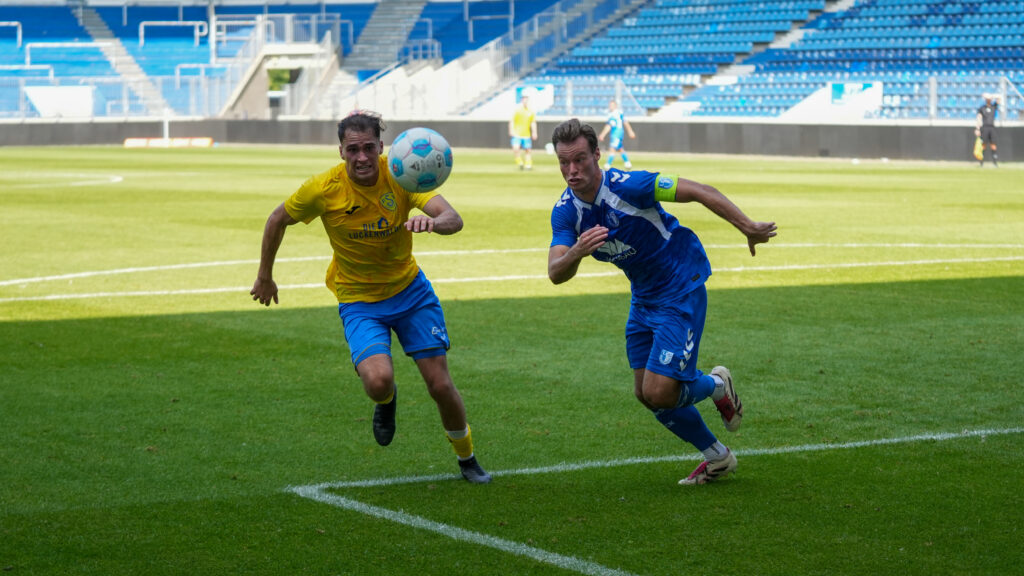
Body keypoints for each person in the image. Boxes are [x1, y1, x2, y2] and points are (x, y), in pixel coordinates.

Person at [250, 111, 491, 484]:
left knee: (440, 385)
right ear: (341, 151)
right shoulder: (323, 188)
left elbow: (453, 218)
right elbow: (277, 218)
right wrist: (265, 275)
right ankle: (386, 401)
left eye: (368, 148)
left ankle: (467, 459)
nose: (361, 157)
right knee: (378, 381)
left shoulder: (402, 174)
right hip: (359, 299)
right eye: (352, 150)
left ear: (381, 147)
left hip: (410, 292)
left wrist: (433, 223)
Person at [546, 119, 777, 485]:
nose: (572, 171)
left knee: (660, 391)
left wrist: (747, 226)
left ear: (597, 154)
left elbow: (700, 190)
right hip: (644, 298)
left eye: (580, 160)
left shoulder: (632, 186)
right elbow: (556, 272)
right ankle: (718, 458)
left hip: (680, 284)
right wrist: (577, 250)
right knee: (645, 394)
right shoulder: (566, 211)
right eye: (563, 162)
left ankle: (717, 385)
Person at [597, 99, 636, 169]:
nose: (610, 106)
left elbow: (623, 123)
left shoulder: (616, 114)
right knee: (620, 148)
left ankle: (608, 164)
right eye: (610, 105)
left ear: (615, 106)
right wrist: (603, 134)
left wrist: (630, 131)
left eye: (612, 105)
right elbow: (610, 125)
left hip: (617, 132)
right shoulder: (614, 114)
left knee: (612, 148)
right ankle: (627, 163)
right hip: (616, 132)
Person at [509, 94, 538, 170]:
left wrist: (534, 132)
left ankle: (528, 165)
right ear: (522, 100)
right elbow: (512, 121)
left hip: (526, 135)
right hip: (517, 134)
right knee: (516, 148)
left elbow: (533, 122)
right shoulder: (517, 110)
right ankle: (519, 161)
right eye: (524, 99)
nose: (525, 100)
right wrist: (511, 130)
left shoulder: (530, 111)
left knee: (528, 150)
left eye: (526, 99)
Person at [975, 94, 999, 167]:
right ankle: (981, 162)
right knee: (983, 145)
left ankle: (995, 162)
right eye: (987, 99)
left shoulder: (993, 106)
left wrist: (991, 96)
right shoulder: (982, 108)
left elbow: (999, 98)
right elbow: (978, 118)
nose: (988, 100)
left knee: (993, 144)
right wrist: (977, 128)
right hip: (984, 128)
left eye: (989, 99)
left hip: (992, 127)